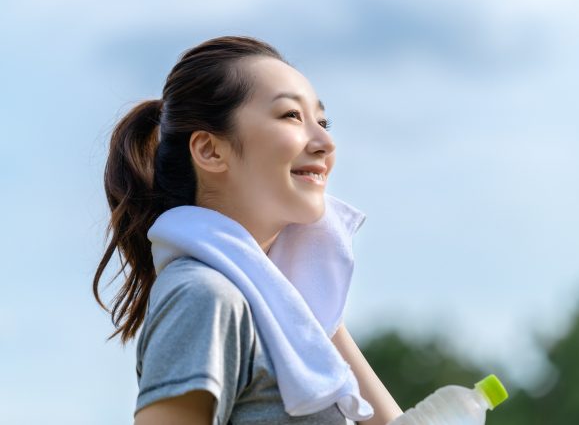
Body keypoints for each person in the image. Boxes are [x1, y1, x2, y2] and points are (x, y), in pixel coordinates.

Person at [92, 35, 403, 425]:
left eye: (323, 122)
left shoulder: (290, 307)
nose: (325, 141)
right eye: (291, 115)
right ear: (209, 150)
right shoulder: (205, 295)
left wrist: (319, 310)